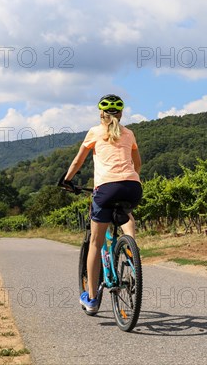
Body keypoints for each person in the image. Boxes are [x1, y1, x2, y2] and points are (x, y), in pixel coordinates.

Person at [60, 94, 143, 313]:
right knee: (127, 214)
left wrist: (67, 180)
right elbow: (138, 163)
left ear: (101, 114)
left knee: (95, 243)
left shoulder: (95, 132)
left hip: (105, 188)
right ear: (121, 113)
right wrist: (129, 178)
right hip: (133, 187)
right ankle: (131, 250)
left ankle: (93, 299)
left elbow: (78, 160)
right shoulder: (129, 133)